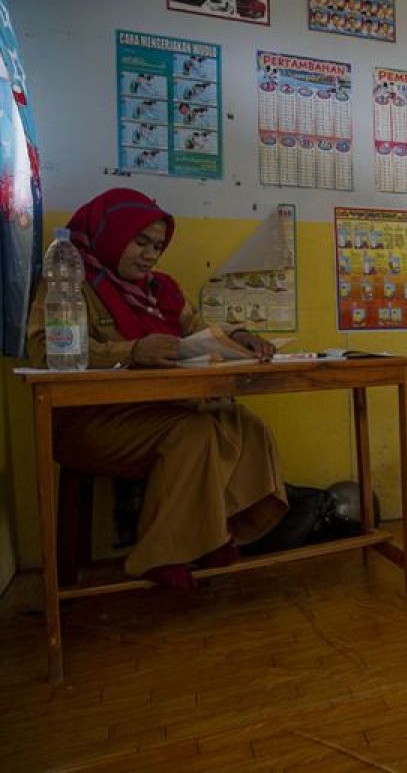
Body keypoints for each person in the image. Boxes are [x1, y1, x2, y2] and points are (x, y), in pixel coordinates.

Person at [26, 188, 288, 591]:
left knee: (242, 423)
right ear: (111, 235)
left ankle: (220, 532)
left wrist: (240, 338)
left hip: (157, 409)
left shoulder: (160, 291)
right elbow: (44, 349)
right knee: (194, 434)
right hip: (90, 421)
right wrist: (131, 350)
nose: (150, 255)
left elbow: (200, 331)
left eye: (158, 246)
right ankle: (163, 554)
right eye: (140, 242)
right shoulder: (71, 282)